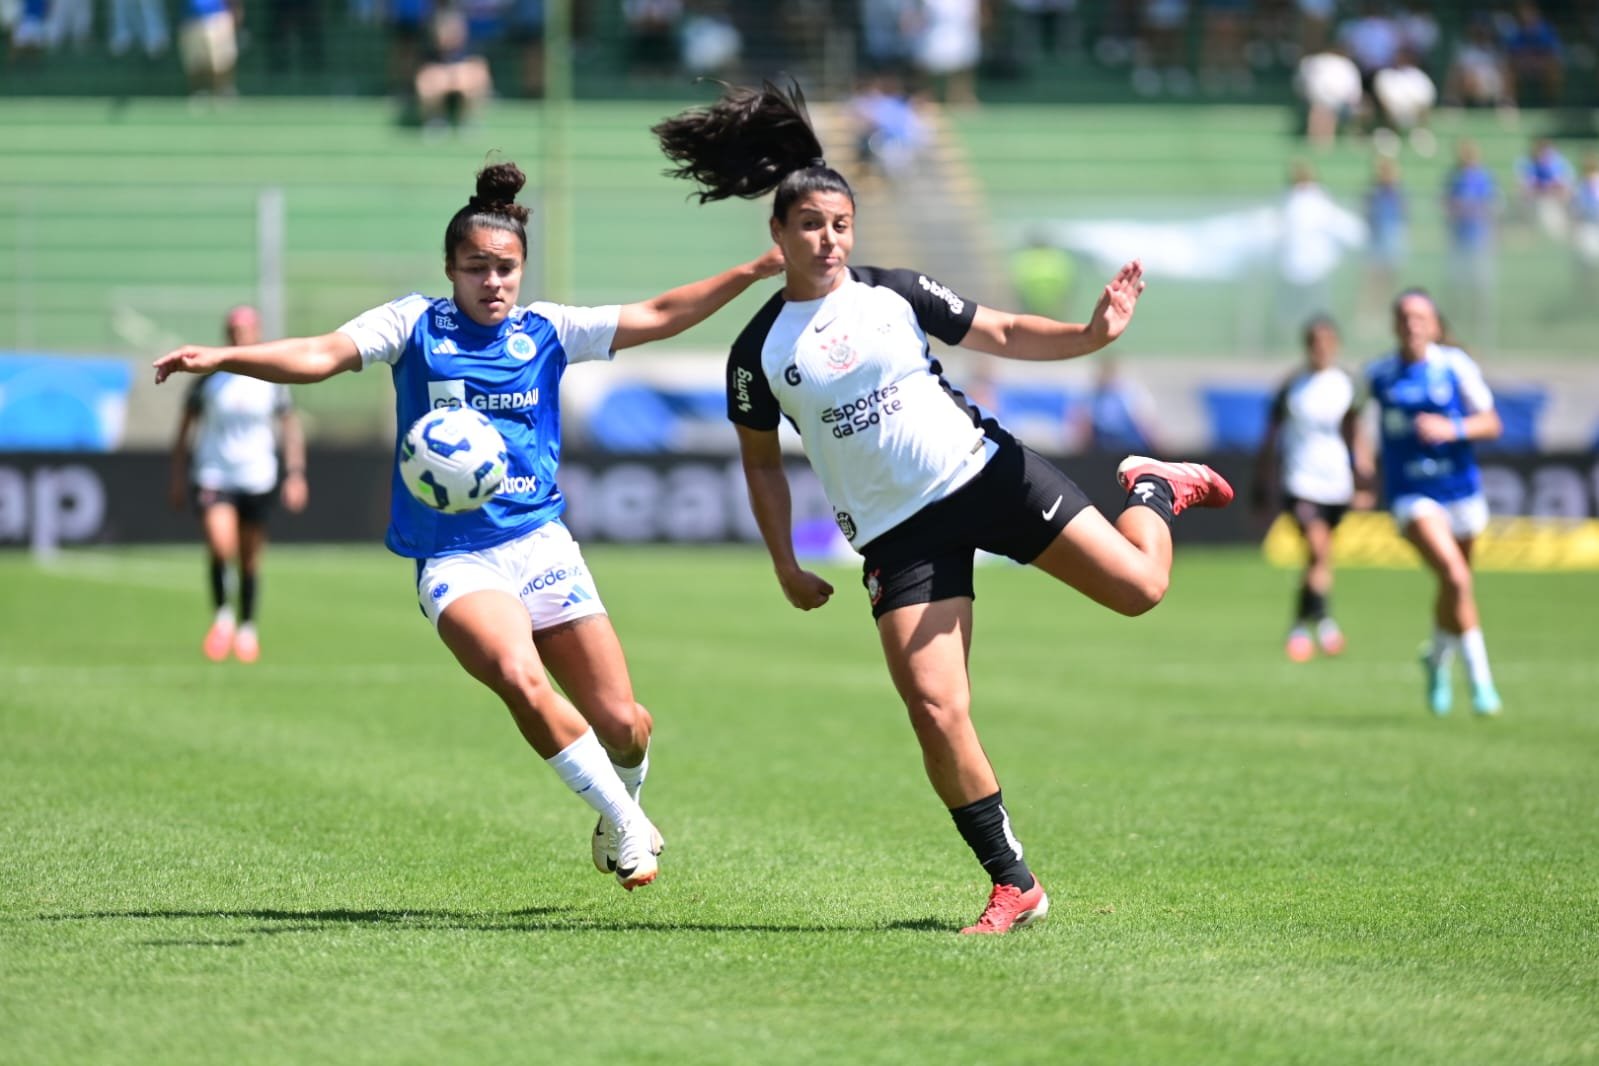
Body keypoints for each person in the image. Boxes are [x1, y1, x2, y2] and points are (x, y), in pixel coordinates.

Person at [652, 81, 1235, 935]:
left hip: (988, 477)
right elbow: (761, 467)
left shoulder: (892, 293)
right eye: (810, 225)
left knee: (1140, 589)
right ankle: (1013, 884)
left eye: (840, 224)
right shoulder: (757, 352)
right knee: (935, 711)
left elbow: (997, 332)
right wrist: (783, 560)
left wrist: (1088, 336)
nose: (827, 239)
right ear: (776, 234)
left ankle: (1149, 486)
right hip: (896, 536)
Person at [154, 161, 785, 892]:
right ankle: (623, 824)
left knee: (625, 724)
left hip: (540, 544)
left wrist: (754, 268)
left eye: (505, 269)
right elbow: (322, 354)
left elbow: (659, 313)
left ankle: (623, 806)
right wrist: (228, 358)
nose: (493, 283)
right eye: (477, 268)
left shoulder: (548, 330)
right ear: (450, 268)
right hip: (454, 557)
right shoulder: (412, 324)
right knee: (519, 676)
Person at [1363, 290, 1503, 716]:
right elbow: (1355, 422)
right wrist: (1362, 464)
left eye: (1420, 316)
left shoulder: (1455, 366)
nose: (1412, 324)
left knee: (1453, 584)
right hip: (1412, 495)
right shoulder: (1379, 374)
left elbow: (1492, 422)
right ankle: (1481, 682)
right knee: (1458, 578)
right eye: (1404, 316)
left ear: (1434, 324)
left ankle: (1436, 661)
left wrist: (1452, 427)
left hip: (1461, 492)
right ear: (1394, 324)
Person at [167, 305, 309, 664]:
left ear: (256, 332)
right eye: (233, 329)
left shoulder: (272, 382)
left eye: (245, 329)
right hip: (214, 474)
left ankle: (247, 627)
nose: (239, 335)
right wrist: (177, 476)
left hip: (257, 477)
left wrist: (295, 474)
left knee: (249, 559)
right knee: (220, 545)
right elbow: (185, 430)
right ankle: (222, 618)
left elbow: (290, 429)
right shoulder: (208, 381)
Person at [1251, 314, 1369, 663]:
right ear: (1307, 346)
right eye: (1314, 342)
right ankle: (1327, 625)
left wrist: (1364, 475)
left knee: (1320, 559)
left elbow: (1355, 432)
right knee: (1317, 551)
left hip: (1336, 481)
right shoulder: (1292, 387)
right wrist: (1263, 479)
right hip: (1300, 480)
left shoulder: (1347, 384)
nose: (1320, 348)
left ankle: (1301, 626)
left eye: (1327, 341)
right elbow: (1271, 436)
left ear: (1336, 345)